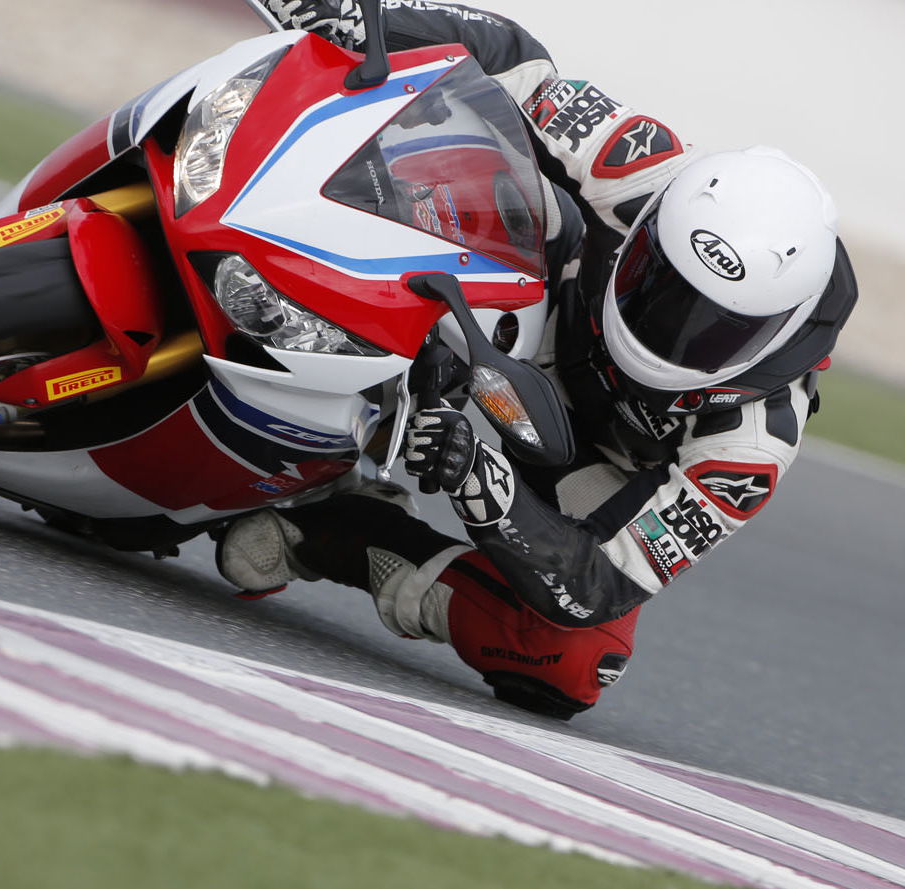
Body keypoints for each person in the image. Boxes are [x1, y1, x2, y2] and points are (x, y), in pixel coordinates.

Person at [216, 0, 858, 719]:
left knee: (573, 660)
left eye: (714, 329)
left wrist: (484, 485)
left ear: (780, 333)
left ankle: (338, 530)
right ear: (653, 225)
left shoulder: (752, 448)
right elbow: (513, 59)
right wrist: (362, 17)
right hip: (534, 301)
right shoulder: (645, 166)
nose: (671, 327)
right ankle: (261, 271)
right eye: (659, 282)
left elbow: (601, 583)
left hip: (582, 464)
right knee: (459, 155)